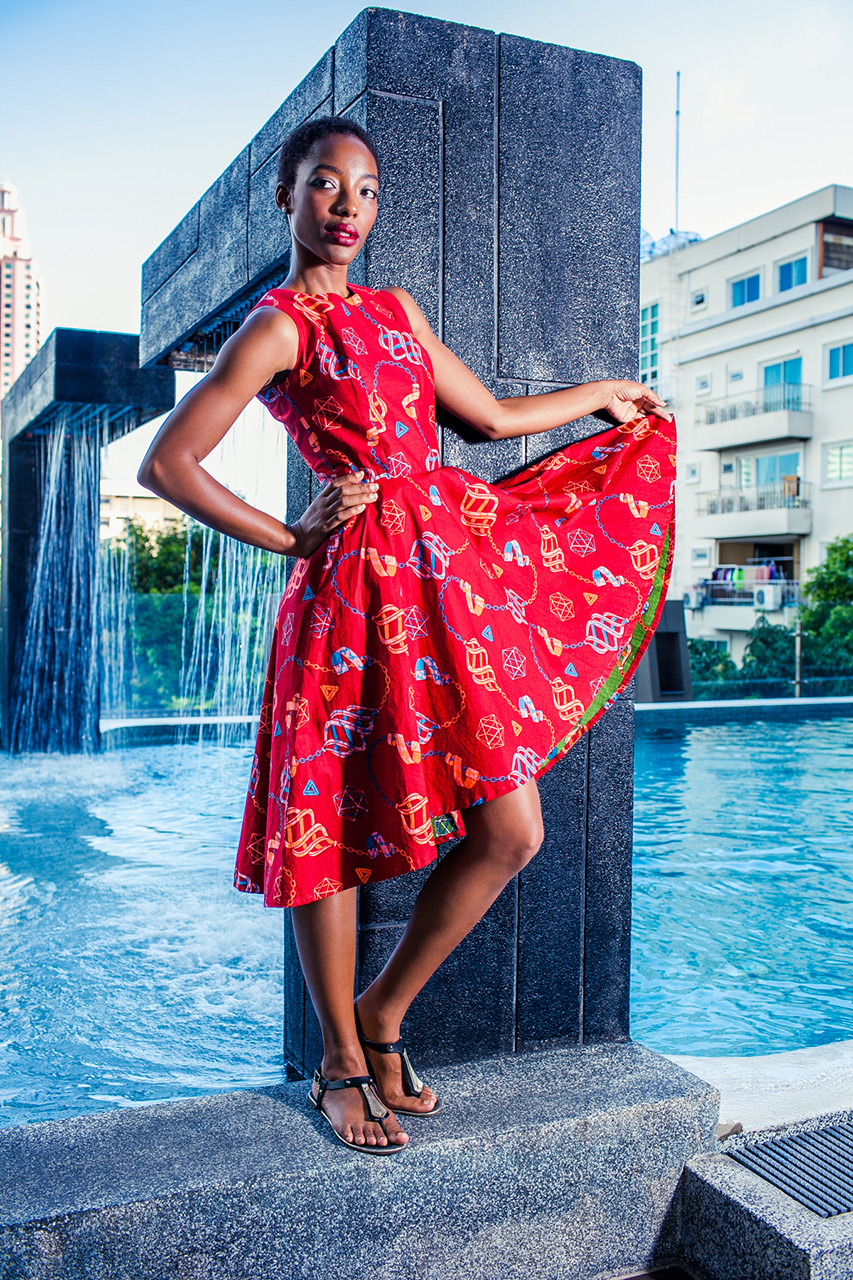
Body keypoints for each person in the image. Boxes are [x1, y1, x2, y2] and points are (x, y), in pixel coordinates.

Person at [138, 115, 675, 1156]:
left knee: (512, 830)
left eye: (367, 190)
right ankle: (340, 1059)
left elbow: (486, 419)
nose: (348, 206)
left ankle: (384, 1013)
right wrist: (293, 537)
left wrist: (602, 395)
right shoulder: (279, 327)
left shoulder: (395, 310)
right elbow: (171, 462)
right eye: (326, 185)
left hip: (442, 589)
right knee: (326, 829)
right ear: (285, 198)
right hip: (348, 599)